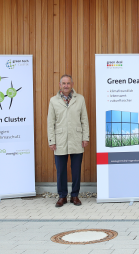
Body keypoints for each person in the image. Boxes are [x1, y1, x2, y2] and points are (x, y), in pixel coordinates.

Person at [47, 75, 89, 207]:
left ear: (72, 84)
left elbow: (84, 120)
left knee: (76, 170)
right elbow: (50, 122)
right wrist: (51, 140)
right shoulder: (53, 101)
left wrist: (85, 137)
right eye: (63, 83)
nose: (66, 85)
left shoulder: (80, 99)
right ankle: (62, 196)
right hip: (60, 140)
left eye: (68, 83)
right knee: (61, 171)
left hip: (76, 139)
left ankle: (75, 195)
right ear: (60, 85)